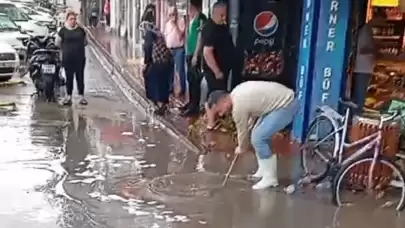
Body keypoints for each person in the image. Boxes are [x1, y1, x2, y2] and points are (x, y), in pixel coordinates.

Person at [206, 81, 298, 190]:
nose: (221, 114)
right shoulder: (236, 92)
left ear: (221, 102)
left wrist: (241, 147)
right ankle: (264, 170)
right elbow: (254, 110)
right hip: (280, 102)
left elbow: (242, 132)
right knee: (256, 134)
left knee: (259, 137)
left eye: (219, 111)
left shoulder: (238, 107)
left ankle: (270, 178)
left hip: (286, 104)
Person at [201, 2, 234, 129]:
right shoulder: (211, 28)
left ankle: (212, 121)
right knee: (215, 97)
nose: (224, 18)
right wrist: (217, 71)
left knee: (218, 95)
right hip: (215, 71)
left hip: (223, 69)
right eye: (222, 15)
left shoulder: (220, 27)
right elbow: (207, 52)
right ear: (216, 13)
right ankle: (211, 123)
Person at [352, 8, 385, 113]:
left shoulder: (367, 30)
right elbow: (362, 49)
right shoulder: (366, 30)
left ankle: (356, 114)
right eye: (381, 21)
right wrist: (375, 51)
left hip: (365, 68)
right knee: (360, 95)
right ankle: (356, 116)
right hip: (362, 68)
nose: (381, 24)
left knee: (360, 94)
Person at [140, 17, 173, 115]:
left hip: (158, 63)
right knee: (163, 83)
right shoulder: (158, 33)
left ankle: (160, 104)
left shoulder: (149, 35)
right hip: (166, 63)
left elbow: (148, 50)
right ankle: (164, 104)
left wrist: (145, 65)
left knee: (154, 83)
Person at [180, 0, 207, 116]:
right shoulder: (191, 18)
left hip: (195, 54)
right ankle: (190, 102)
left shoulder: (201, 18)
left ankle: (194, 106)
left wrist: (196, 54)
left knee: (195, 80)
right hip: (189, 52)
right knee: (190, 79)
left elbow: (200, 37)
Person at [56, 11, 88, 106]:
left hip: (79, 58)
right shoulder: (62, 31)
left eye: (74, 19)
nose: (73, 21)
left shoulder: (80, 30)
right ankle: (68, 96)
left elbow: (85, 42)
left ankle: (81, 96)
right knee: (69, 77)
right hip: (68, 58)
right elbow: (57, 43)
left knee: (80, 77)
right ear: (67, 20)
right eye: (71, 19)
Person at [163, 6, 186, 97]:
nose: (171, 16)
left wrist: (175, 25)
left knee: (179, 70)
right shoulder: (167, 24)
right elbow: (166, 35)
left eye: (173, 14)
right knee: (169, 70)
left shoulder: (181, 22)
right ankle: (170, 88)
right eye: (170, 14)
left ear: (176, 14)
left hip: (178, 49)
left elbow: (181, 35)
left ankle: (182, 89)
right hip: (169, 49)